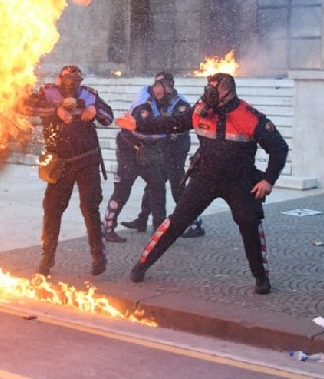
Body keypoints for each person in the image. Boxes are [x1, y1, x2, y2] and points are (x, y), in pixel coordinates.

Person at [115, 73, 289, 295]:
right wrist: (139, 123)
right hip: (204, 177)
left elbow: (279, 148)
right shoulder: (200, 110)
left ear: (228, 92)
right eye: (207, 88)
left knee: (249, 222)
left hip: (239, 181)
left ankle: (261, 277)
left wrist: (268, 180)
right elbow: (172, 123)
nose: (208, 94)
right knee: (176, 221)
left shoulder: (249, 116)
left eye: (213, 90)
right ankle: (142, 265)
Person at [24, 65, 114, 277]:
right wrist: (55, 111)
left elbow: (108, 118)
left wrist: (95, 111)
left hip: (86, 160)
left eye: (75, 79)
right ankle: (47, 257)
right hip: (60, 163)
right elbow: (26, 108)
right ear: (59, 79)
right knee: (53, 209)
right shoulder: (47, 93)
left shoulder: (90, 95)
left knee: (90, 208)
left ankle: (98, 256)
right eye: (66, 79)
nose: (71, 83)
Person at [120, 72, 206, 238]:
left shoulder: (181, 103)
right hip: (162, 149)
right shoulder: (155, 101)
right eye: (156, 86)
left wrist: (163, 132)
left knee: (177, 186)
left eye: (161, 86)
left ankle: (195, 223)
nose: (157, 90)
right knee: (154, 184)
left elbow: (180, 126)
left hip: (176, 150)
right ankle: (143, 218)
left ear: (169, 87)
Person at [101, 77, 176, 242]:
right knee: (122, 190)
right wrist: (167, 133)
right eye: (161, 87)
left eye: (167, 88)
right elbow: (144, 131)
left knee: (158, 187)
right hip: (129, 151)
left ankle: (159, 230)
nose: (164, 91)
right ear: (155, 88)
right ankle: (107, 227)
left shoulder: (162, 102)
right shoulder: (145, 106)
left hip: (147, 152)